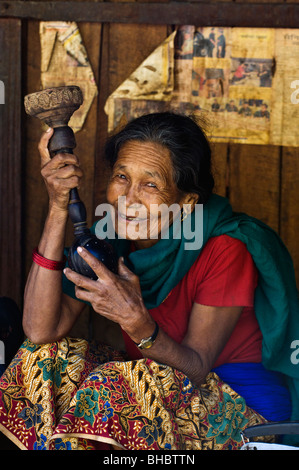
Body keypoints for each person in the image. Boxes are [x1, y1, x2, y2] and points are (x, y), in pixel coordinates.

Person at [0, 112, 298, 451]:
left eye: (151, 184)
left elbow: (196, 368)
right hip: (156, 389)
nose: (129, 196)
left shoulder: (225, 248)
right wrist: (57, 206)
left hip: (243, 412)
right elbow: (40, 332)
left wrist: (136, 321)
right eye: (121, 177)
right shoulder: (108, 238)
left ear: (186, 202)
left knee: (113, 385)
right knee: (45, 358)